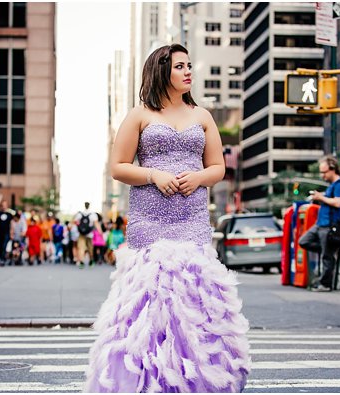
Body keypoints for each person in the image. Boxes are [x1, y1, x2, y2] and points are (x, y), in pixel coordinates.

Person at [84, 44, 250, 393]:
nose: (189, 71)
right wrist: (153, 175)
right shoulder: (140, 114)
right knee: (150, 307)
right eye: (180, 66)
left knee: (194, 303)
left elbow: (218, 166)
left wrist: (199, 178)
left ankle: (195, 382)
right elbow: (118, 166)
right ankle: (144, 383)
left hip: (191, 220)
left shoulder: (202, 116)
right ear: (162, 71)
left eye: (190, 65)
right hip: (150, 221)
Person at [298, 156, 340, 292]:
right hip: (320, 224)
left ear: (333, 169)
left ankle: (325, 284)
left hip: (329, 225)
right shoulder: (332, 186)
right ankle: (326, 249)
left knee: (327, 257)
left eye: (324, 172)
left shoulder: (339, 185)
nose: (322, 175)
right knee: (303, 241)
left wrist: (321, 197)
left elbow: (338, 202)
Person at [74, 202, 98, 266]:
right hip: (90, 234)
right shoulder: (93, 214)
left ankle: (81, 261)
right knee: (90, 248)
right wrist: (100, 233)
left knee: (81, 248)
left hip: (81, 234)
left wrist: (80, 227)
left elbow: (75, 222)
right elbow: (96, 224)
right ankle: (91, 261)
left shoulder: (79, 214)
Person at [0, 200, 13, 266]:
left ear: (7, 206)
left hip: (6, 233)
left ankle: (3, 259)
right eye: (3, 205)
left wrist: (11, 233)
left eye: (5, 205)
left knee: (4, 246)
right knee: (0, 246)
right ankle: (1, 258)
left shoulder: (10, 215)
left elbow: (11, 225)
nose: (4, 206)